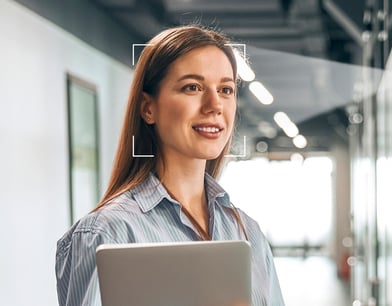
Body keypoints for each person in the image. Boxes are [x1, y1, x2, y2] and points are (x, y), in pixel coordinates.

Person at [55, 25, 285, 306]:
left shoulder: (248, 232)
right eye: (193, 87)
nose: (215, 105)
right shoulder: (108, 233)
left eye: (226, 89)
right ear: (148, 108)